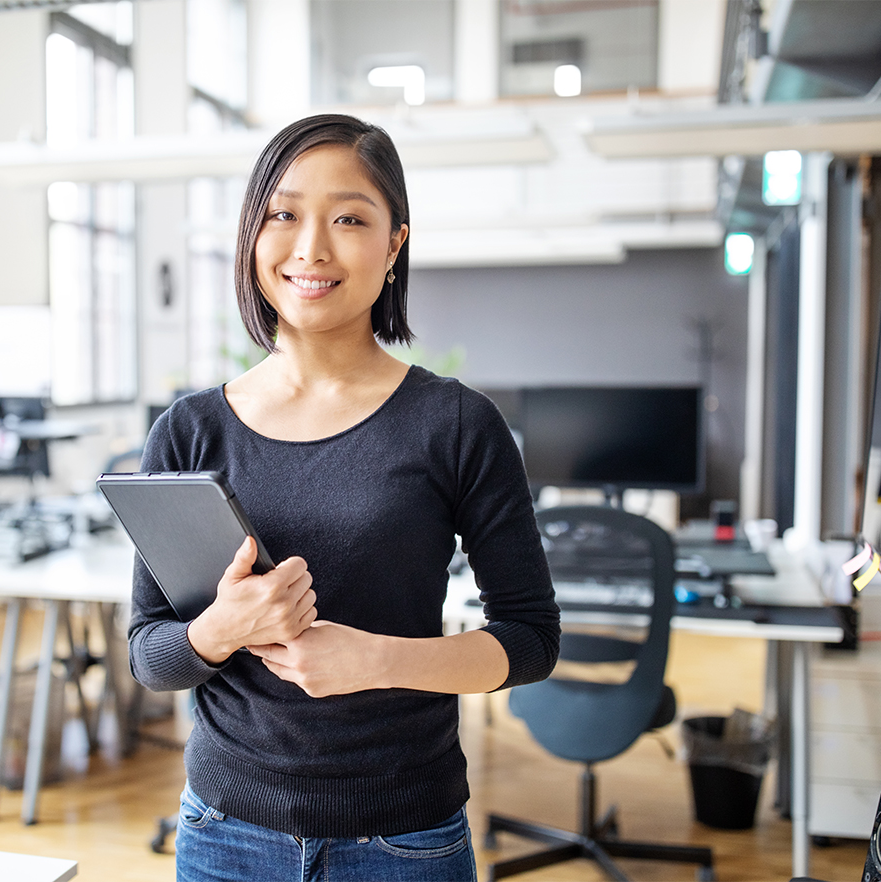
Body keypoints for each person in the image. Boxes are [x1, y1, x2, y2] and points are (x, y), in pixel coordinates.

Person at [128, 113, 560, 882]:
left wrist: (376, 660)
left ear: (395, 241)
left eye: (350, 218)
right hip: (224, 834)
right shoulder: (188, 433)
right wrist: (218, 630)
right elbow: (151, 655)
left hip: (403, 841)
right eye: (284, 214)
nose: (311, 248)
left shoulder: (456, 425)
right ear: (252, 234)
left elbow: (529, 640)